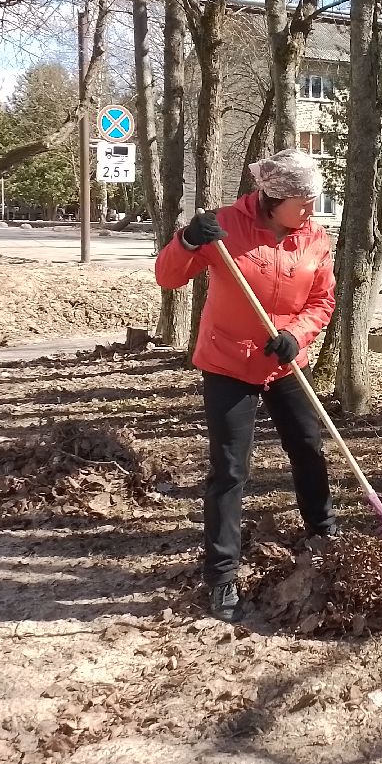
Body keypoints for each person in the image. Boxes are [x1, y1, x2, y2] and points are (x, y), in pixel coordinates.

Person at [155, 148, 337, 620]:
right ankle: (221, 576)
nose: (310, 209)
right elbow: (169, 277)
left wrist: (296, 337)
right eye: (302, 201)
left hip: (283, 362)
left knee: (308, 448)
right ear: (272, 198)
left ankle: (323, 533)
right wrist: (188, 242)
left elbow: (322, 300)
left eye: (313, 199)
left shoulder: (314, 238)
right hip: (228, 362)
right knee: (230, 469)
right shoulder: (224, 226)